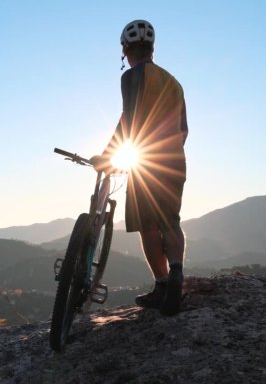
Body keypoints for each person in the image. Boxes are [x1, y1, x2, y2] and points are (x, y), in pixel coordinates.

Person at [94, 19, 188, 316]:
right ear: (152, 48)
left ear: (125, 50)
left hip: (146, 163)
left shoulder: (131, 77)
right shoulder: (173, 82)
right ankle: (176, 275)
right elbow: (184, 130)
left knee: (148, 225)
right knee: (170, 220)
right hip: (173, 161)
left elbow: (129, 120)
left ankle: (161, 285)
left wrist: (109, 155)